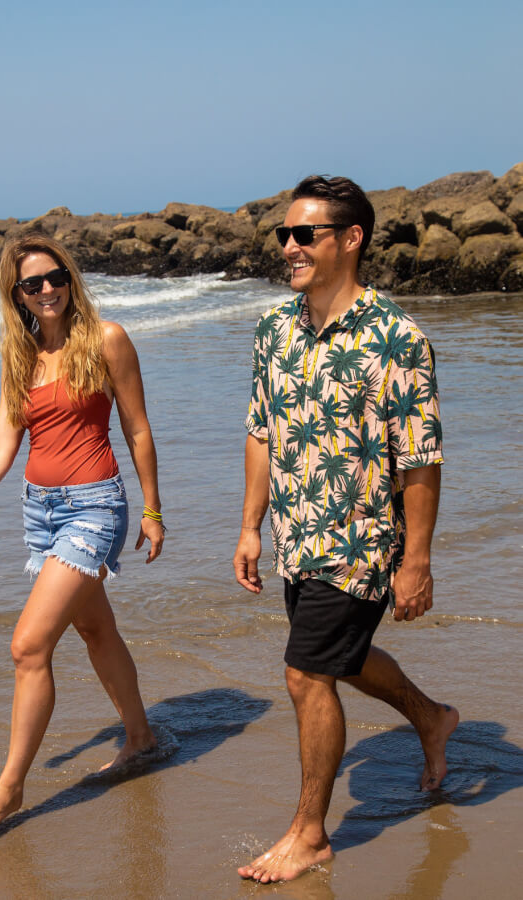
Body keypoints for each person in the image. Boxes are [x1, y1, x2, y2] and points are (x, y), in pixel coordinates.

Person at [233, 175, 459, 883]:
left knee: (306, 674)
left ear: (350, 239)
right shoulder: (274, 328)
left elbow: (420, 461)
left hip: (360, 539)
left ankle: (308, 834)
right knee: (341, 657)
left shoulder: (395, 338)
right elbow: (259, 433)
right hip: (294, 535)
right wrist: (248, 527)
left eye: (305, 235)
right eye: (284, 235)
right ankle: (430, 717)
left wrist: (414, 560)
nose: (289, 247)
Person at [0, 234, 165, 834]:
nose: (48, 290)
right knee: (94, 626)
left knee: (28, 646)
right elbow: (2, 446)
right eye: (33, 283)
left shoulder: (106, 339)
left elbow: (136, 429)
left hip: (95, 508)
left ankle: (9, 789)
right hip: (41, 512)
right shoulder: (20, 356)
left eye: (56, 277)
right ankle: (141, 736)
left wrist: (153, 510)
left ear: (69, 276)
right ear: (17, 293)